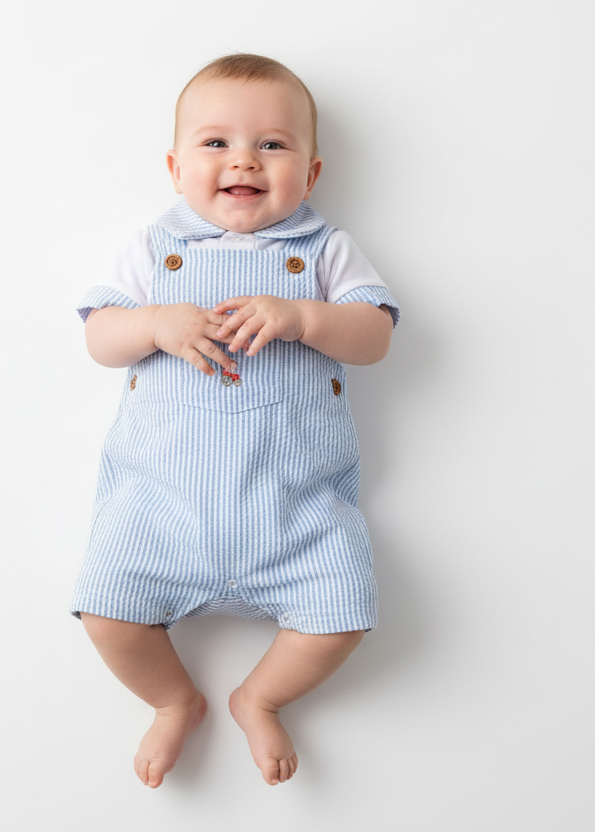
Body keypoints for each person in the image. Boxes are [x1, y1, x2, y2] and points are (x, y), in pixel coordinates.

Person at [71, 53, 400, 788]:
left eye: (273, 145)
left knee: (341, 616)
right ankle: (171, 700)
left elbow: (375, 336)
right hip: (160, 508)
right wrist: (153, 324)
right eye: (215, 143)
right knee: (106, 615)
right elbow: (99, 338)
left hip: (295, 509)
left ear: (310, 174)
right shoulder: (155, 250)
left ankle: (261, 695)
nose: (243, 160)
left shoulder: (321, 250)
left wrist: (305, 316)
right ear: (175, 165)